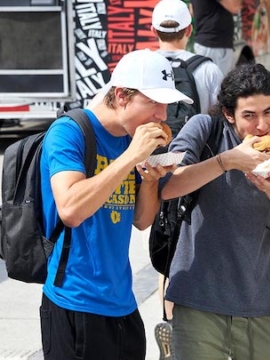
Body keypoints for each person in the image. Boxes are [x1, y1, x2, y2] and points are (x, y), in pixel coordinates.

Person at [38, 49, 191, 360]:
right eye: (153, 103)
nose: (162, 115)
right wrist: (131, 157)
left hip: (123, 303)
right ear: (121, 95)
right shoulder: (69, 132)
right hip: (74, 302)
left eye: (165, 104)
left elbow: (142, 220)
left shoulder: (131, 138)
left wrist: (149, 179)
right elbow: (70, 210)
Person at [160, 63, 270, 359]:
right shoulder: (205, 128)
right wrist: (227, 161)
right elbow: (167, 186)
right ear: (229, 114)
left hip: (260, 300)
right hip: (198, 299)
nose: (261, 125)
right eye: (249, 115)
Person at [150, 0, 225, 357]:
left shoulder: (142, 66)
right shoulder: (206, 68)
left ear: (154, 31)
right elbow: (218, 120)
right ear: (189, 30)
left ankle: (169, 319)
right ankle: (200, 328)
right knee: (196, 243)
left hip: (153, 169)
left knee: (167, 242)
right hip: (195, 170)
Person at [190, 0, 240, 75]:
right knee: (222, 84)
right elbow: (235, 7)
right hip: (215, 44)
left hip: (204, 42)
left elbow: (192, 11)